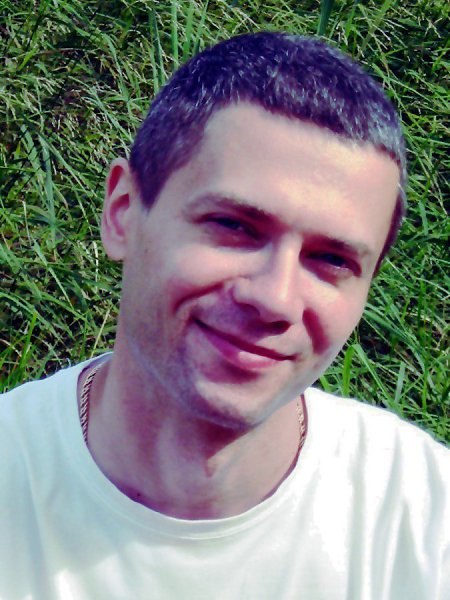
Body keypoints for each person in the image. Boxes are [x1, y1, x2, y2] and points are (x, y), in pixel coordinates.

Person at [1, 32, 448, 600]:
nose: (276, 298)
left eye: (332, 260)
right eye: (234, 226)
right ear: (123, 213)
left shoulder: (425, 526)